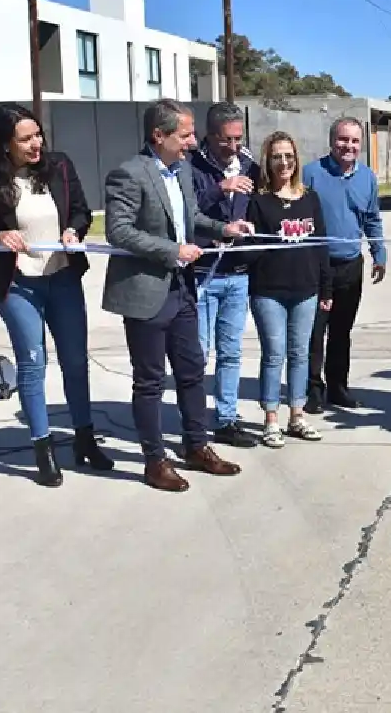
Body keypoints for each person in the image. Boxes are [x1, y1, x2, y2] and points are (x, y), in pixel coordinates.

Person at [0, 103, 112, 487]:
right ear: (5, 144)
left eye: (37, 134)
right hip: (19, 284)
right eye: (25, 139)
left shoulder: (59, 166)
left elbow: (81, 211)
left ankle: (85, 438)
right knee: (32, 362)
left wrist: (73, 230)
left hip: (63, 278)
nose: (36, 143)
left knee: (75, 361)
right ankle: (44, 449)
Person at [102, 98, 253, 492]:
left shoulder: (182, 170)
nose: (192, 142)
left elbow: (192, 217)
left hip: (183, 289)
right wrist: (173, 251)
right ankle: (155, 461)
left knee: (191, 371)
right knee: (150, 381)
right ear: (159, 135)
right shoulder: (128, 174)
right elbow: (118, 231)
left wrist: (224, 229)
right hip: (145, 291)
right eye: (185, 135)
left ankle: (196, 447)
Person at [245, 131, 331, 448]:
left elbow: (321, 245)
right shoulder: (259, 201)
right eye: (277, 157)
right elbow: (251, 249)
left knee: (300, 353)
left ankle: (297, 415)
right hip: (269, 291)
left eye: (289, 156)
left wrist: (326, 288)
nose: (284, 162)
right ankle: (271, 419)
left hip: (306, 290)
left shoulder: (310, 198)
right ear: (268, 161)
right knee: (274, 353)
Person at [302, 117, 387, 412]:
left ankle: (338, 388)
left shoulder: (368, 178)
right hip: (316, 267)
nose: (348, 146)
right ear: (331, 141)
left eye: (354, 141)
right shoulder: (311, 174)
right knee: (314, 333)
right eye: (342, 139)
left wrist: (379, 253)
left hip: (350, 266)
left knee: (341, 332)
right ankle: (313, 390)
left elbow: (372, 219)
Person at [190, 101, 261, 449]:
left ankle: (227, 419)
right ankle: (193, 423)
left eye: (238, 139)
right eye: (226, 140)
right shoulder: (190, 164)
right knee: (197, 354)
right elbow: (185, 210)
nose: (233, 146)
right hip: (202, 273)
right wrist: (221, 188)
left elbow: (261, 206)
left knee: (231, 352)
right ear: (210, 135)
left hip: (237, 273)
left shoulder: (249, 164)